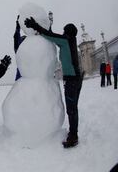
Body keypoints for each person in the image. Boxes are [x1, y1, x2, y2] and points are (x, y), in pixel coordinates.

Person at [25, 18, 83, 148]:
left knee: (71, 109)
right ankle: (74, 133)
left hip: (72, 80)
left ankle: (73, 136)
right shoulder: (70, 41)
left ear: (67, 32)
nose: (62, 33)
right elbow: (53, 36)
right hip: (76, 79)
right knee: (73, 109)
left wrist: (35, 25)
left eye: (64, 31)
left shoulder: (66, 40)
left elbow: (50, 36)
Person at [13, 15, 26, 80]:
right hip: (20, 77)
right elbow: (16, 36)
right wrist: (18, 25)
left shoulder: (31, 50)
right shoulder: (18, 51)